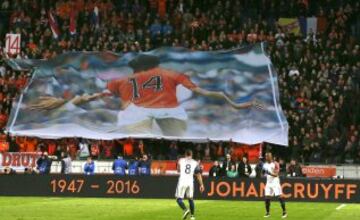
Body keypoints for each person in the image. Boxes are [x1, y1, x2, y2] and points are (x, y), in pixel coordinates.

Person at [29, 54, 263, 136]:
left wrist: (61, 102)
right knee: (177, 137)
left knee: (133, 134)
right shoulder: (172, 73)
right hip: (173, 111)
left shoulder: (122, 80)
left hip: (136, 112)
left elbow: (91, 97)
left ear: (136, 68)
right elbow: (209, 92)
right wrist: (237, 104)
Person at [175, 150, 204, 220]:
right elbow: (198, 175)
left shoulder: (180, 160)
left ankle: (185, 210)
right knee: (190, 199)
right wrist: (201, 185)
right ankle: (192, 216)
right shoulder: (195, 162)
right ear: (191, 154)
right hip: (190, 182)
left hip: (182, 181)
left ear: (185, 154)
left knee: (178, 199)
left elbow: (178, 170)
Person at [263, 152, 287, 218]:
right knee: (267, 198)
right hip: (268, 182)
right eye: (266, 156)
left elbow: (276, 174)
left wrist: (269, 173)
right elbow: (263, 173)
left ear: (270, 157)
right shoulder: (265, 164)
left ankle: (284, 212)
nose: (266, 157)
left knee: (279, 197)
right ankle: (267, 213)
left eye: (267, 156)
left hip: (275, 182)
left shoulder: (275, 164)